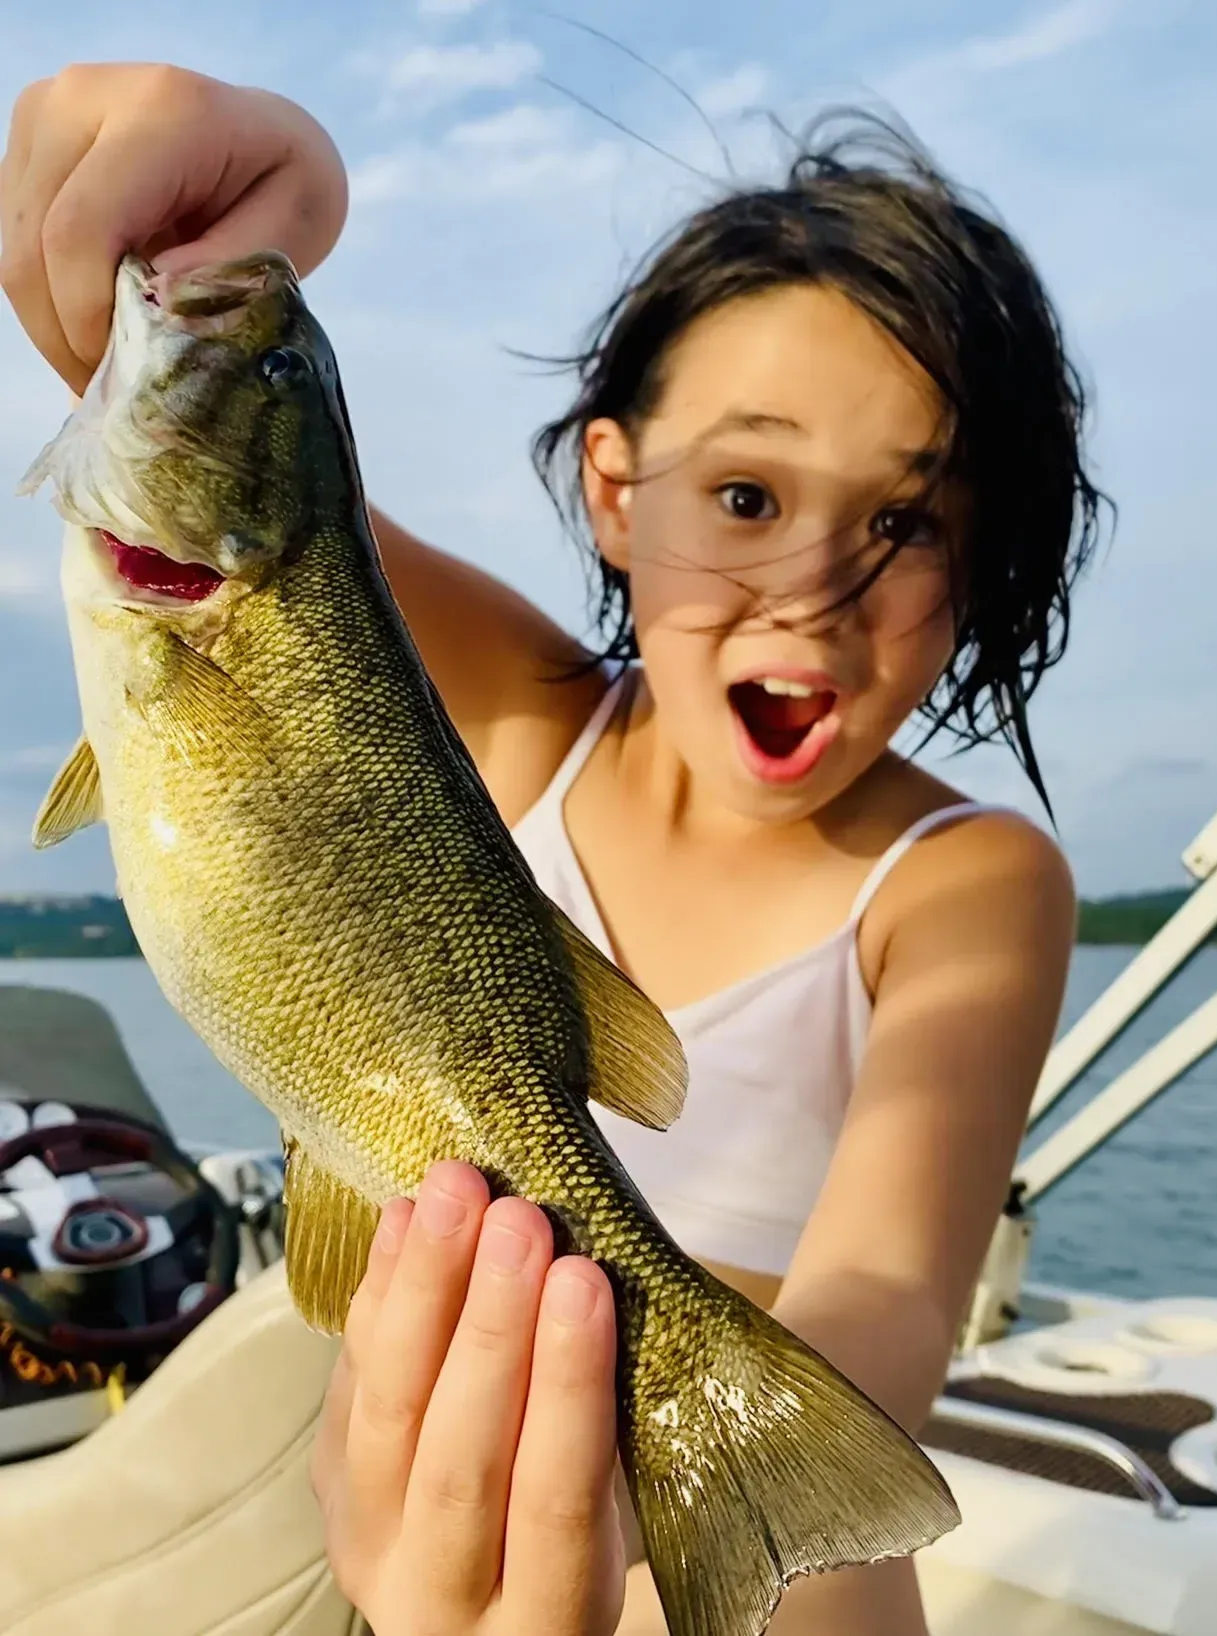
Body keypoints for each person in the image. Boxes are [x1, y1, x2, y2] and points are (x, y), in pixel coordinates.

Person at [0, 62, 1097, 1636]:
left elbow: (891, 1297)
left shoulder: (969, 879)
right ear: (612, 486)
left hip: (785, 1561)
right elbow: (253, 489)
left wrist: (642, 1439)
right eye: (742, 491)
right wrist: (237, 207)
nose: (808, 589)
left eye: (905, 523)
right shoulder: (527, 705)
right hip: (454, 1495)